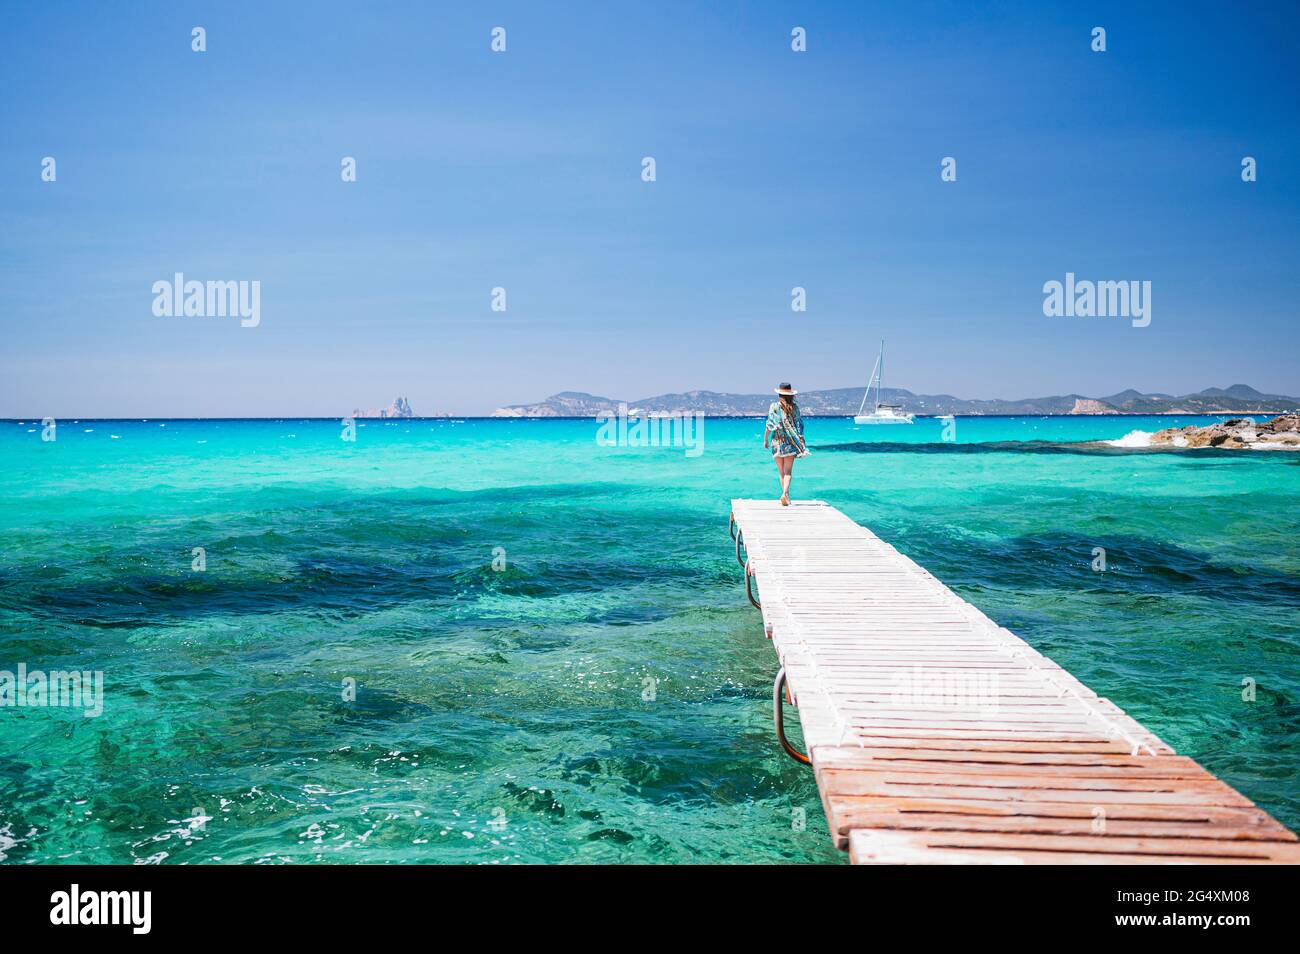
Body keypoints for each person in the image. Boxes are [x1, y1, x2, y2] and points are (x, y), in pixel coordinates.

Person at [763, 383, 807, 506]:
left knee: (781, 472)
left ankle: (785, 496)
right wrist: (801, 439)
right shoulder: (795, 408)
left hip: (776, 442)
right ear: (791, 395)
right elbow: (799, 425)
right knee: (788, 471)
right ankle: (785, 494)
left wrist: (765, 440)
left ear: (779, 394)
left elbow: (769, 425)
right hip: (790, 442)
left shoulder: (774, 407)